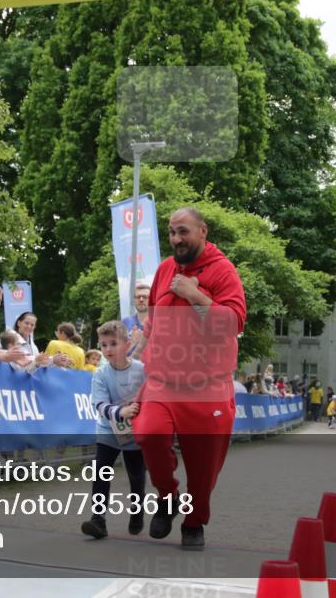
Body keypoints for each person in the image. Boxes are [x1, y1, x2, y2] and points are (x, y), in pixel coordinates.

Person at [132, 207, 246, 551]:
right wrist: (139, 351)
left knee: (203, 468)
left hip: (208, 386)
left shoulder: (223, 271)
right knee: (148, 434)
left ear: (202, 232)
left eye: (183, 232)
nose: (176, 239)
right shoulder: (164, 269)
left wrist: (195, 295)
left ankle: (194, 523)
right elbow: (152, 321)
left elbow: (234, 323)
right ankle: (167, 498)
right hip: (163, 382)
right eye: (171, 233)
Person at [79, 321, 147, 540]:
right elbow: (98, 404)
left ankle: (137, 512)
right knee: (101, 473)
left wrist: (139, 410)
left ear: (127, 345)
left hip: (135, 432)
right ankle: (98, 519)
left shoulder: (141, 370)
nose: (108, 349)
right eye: (104, 345)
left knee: (136, 476)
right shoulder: (100, 374)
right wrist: (120, 412)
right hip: (108, 430)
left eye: (113, 344)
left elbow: (151, 396)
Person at [123, 283, 150, 358]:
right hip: (129, 368)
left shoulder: (160, 323)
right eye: (138, 297)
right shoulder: (124, 323)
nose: (141, 299)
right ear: (134, 300)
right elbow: (117, 355)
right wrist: (133, 342)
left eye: (145, 297)